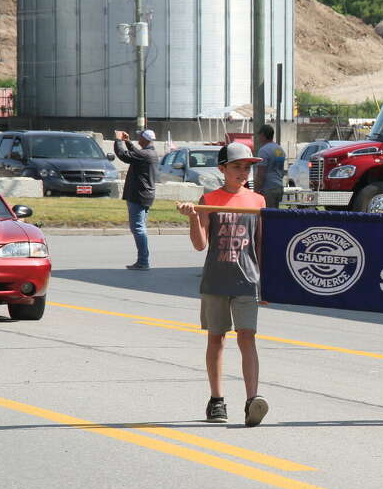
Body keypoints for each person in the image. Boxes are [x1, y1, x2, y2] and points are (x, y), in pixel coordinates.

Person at [176, 142, 268, 427]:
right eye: (237, 166)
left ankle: (253, 400)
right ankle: (217, 400)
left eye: (247, 167)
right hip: (216, 280)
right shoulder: (210, 198)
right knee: (216, 339)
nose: (243, 171)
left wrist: (267, 285)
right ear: (222, 169)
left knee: (247, 337)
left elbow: (262, 245)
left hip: (248, 281)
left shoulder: (257, 201)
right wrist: (194, 216)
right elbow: (200, 244)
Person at [114, 129, 159, 271]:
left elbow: (123, 155)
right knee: (140, 227)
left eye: (140, 136)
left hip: (139, 195)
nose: (138, 137)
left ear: (145, 139)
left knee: (138, 228)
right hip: (144, 195)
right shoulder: (149, 152)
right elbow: (135, 152)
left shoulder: (145, 154)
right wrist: (127, 141)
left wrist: (118, 140)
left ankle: (143, 261)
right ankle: (143, 261)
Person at [254, 124, 286, 209]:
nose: (259, 138)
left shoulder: (263, 150)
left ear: (263, 135)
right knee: (275, 216)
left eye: (260, 135)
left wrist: (256, 191)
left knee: (267, 216)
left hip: (268, 189)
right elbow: (281, 171)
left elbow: (261, 174)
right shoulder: (279, 149)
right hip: (279, 187)